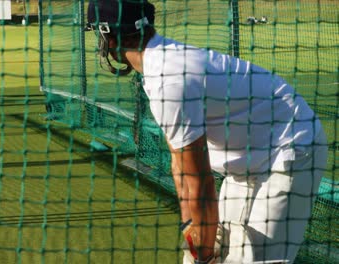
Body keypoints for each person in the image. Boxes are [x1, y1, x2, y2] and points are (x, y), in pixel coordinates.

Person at [86, 1, 328, 263]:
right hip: (247, 156)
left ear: (107, 37)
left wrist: (201, 254)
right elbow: (180, 164)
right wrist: (191, 229)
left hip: (291, 146)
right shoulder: (159, 69)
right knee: (217, 248)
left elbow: (200, 181)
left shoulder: (170, 79)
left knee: (252, 258)